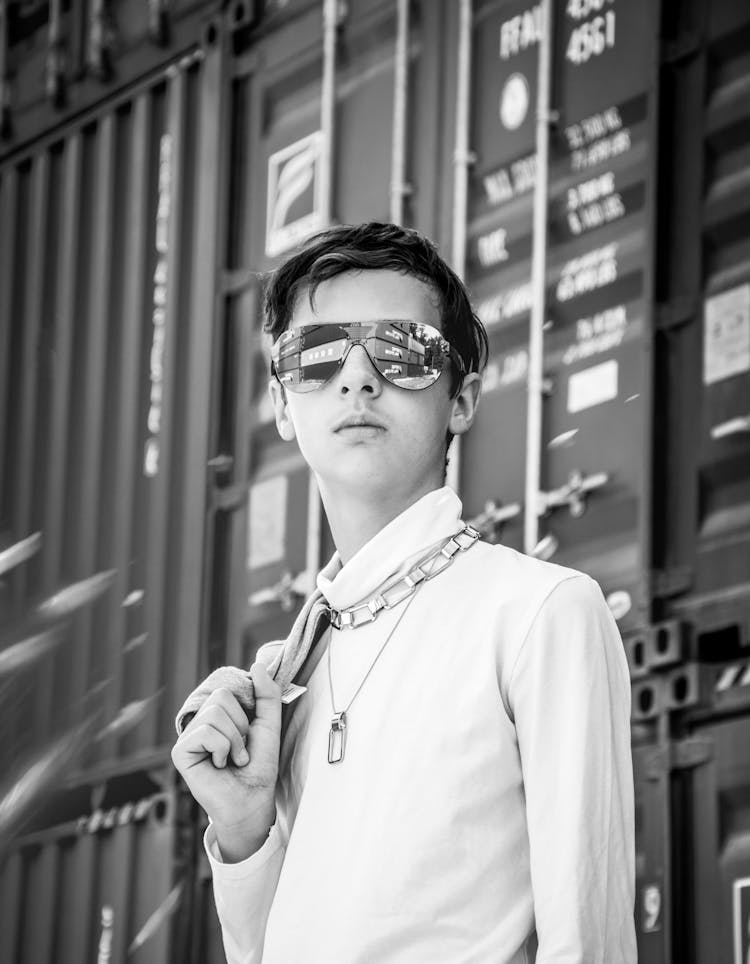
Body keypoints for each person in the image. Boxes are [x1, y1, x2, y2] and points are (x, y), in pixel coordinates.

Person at [171, 221, 636, 964]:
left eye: (402, 351)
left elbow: (591, 943)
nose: (357, 378)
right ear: (284, 406)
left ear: (461, 400)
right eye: (318, 354)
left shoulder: (538, 615)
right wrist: (243, 827)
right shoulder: (281, 676)